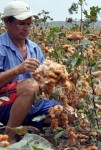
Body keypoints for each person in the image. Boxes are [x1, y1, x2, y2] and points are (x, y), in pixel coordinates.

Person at [0, 0, 61, 144]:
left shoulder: (34, 49)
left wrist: (52, 78)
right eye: (21, 24)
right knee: (30, 85)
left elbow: (42, 84)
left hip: (28, 102)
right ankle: (8, 136)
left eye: (28, 24)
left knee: (64, 112)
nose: (26, 28)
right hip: (4, 102)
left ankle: (22, 121)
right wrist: (18, 69)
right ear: (7, 22)